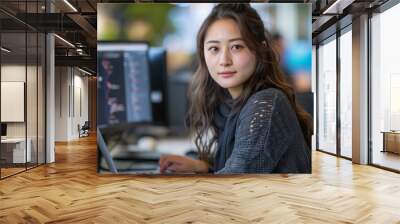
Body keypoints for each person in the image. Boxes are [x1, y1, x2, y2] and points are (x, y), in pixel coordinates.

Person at [159, 3, 312, 174]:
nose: (224, 60)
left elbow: (232, 186)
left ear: (260, 49)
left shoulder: (266, 104)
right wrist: (202, 166)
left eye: (236, 47)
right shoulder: (227, 102)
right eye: (214, 49)